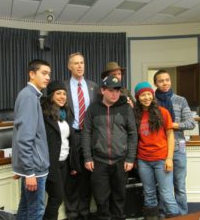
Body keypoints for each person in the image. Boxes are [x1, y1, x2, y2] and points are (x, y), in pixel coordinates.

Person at [82, 75, 138, 220]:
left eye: (118, 90)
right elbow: (86, 133)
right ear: (102, 90)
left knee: (119, 197)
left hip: (121, 161)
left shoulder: (126, 108)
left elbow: (133, 134)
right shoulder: (93, 108)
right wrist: (87, 157)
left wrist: (130, 158)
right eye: (111, 90)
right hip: (99, 161)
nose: (115, 94)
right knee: (101, 199)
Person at [133, 82, 180, 220]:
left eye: (149, 94)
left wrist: (169, 158)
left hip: (161, 159)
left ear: (152, 95)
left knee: (166, 194)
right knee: (149, 193)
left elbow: (171, 136)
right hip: (143, 160)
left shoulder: (163, 112)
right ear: (138, 97)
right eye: (143, 95)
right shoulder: (135, 115)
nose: (146, 97)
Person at [12, 59, 51, 220]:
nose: (47, 77)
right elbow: (24, 138)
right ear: (32, 74)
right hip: (34, 168)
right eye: (44, 73)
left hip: (32, 166)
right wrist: (29, 172)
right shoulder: (29, 97)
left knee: (25, 209)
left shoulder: (30, 95)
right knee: (35, 212)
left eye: (49, 74)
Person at [153, 70, 195, 215]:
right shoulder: (151, 100)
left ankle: (182, 215)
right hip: (159, 149)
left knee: (180, 186)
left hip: (178, 148)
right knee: (163, 186)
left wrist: (171, 124)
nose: (165, 83)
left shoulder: (180, 100)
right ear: (155, 83)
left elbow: (190, 123)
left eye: (167, 80)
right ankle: (164, 214)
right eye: (161, 81)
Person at [63, 52, 99, 220]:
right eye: (76, 63)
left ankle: (84, 210)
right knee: (71, 174)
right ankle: (71, 211)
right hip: (71, 136)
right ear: (69, 66)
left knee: (87, 174)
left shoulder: (93, 86)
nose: (79, 66)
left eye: (82, 62)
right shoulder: (63, 87)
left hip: (90, 135)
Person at [41, 80, 79, 220]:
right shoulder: (44, 114)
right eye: (58, 93)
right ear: (51, 95)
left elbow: (70, 141)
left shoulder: (66, 113)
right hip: (51, 163)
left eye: (64, 93)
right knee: (56, 198)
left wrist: (73, 165)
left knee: (57, 199)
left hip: (64, 163)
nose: (62, 96)